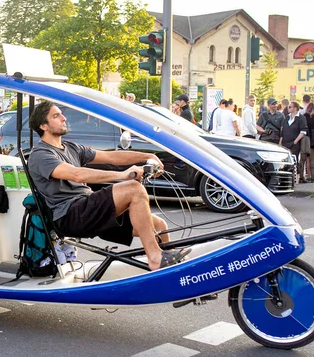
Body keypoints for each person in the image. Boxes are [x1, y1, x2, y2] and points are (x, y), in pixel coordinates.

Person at [27, 101, 191, 270]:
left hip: (89, 209)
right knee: (134, 189)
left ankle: (175, 272)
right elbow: (77, 174)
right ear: (43, 125)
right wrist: (122, 175)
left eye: (61, 113)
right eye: (56, 116)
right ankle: (155, 258)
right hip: (70, 215)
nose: (64, 118)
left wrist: (147, 155)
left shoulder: (70, 148)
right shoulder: (40, 154)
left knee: (159, 225)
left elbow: (112, 157)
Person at [279, 101, 307, 174]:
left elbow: (303, 131)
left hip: (294, 143)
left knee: (294, 160)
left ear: (295, 108)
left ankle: (296, 177)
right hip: (285, 142)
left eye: (290, 107)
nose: (288, 108)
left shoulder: (301, 118)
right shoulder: (287, 117)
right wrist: (280, 142)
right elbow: (283, 130)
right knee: (285, 160)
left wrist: (295, 141)